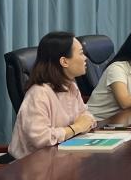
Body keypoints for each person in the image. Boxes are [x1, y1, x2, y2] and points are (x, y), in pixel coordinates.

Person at [8, 31, 96, 159]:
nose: (85, 58)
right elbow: (41, 139)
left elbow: (86, 116)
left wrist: (84, 123)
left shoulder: (71, 86)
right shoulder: (39, 93)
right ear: (64, 61)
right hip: (33, 164)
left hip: (61, 156)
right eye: (81, 53)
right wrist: (76, 128)